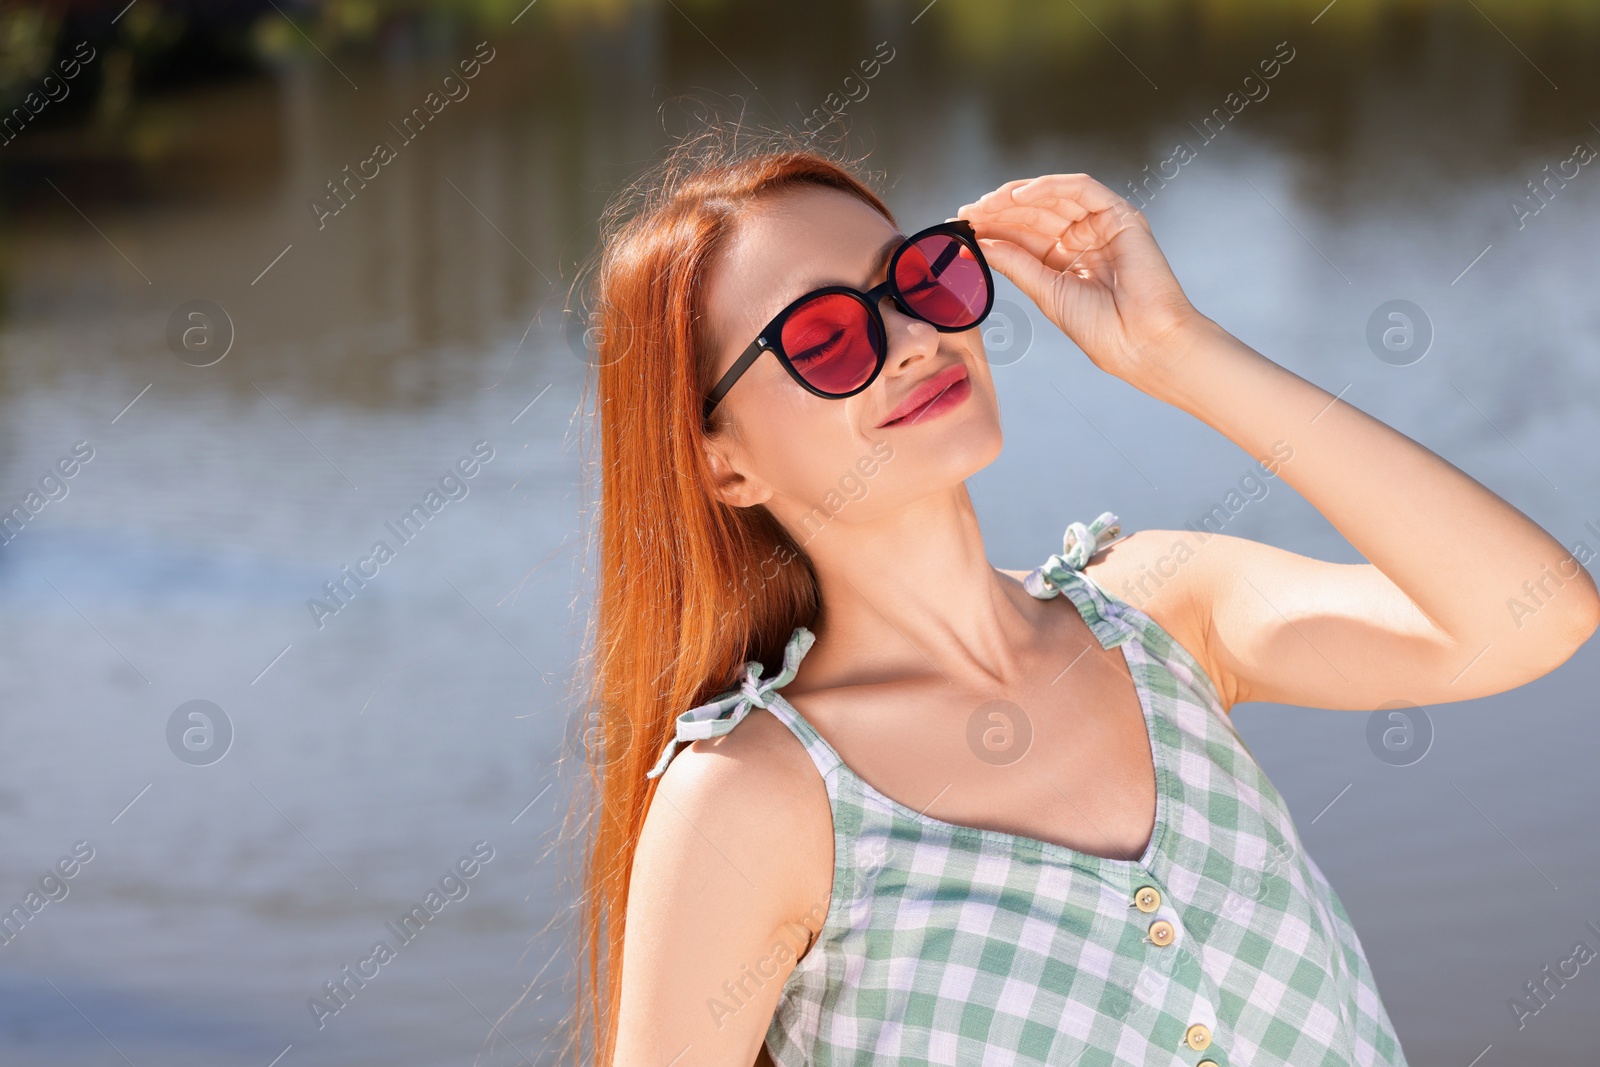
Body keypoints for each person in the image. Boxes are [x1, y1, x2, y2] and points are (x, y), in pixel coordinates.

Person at [568, 131, 1598, 1067]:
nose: (916, 339)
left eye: (919, 282)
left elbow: (1535, 613)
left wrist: (1175, 350)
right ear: (721, 463)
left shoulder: (1162, 613)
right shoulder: (750, 799)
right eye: (827, 337)